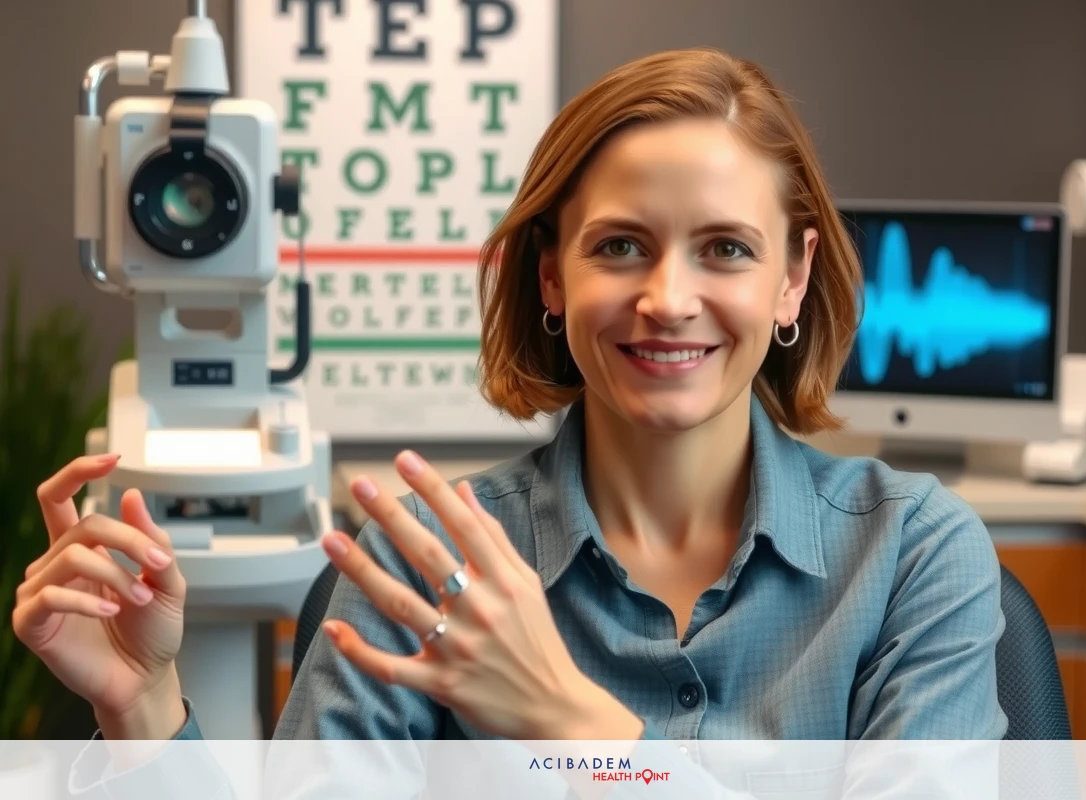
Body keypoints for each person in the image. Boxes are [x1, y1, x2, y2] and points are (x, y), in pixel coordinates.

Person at [13, 47, 1006, 758]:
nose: (667, 297)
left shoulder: (916, 554)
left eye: (727, 248)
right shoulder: (421, 562)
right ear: (550, 276)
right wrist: (144, 708)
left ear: (792, 280)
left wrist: (579, 726)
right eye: (620, 245)